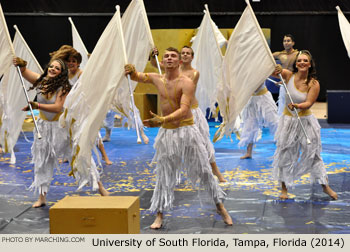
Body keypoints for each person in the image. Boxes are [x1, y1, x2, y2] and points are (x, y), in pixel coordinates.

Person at [125, 47, 232, 229]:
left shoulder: (186, 82)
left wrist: (162, 120)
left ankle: (221, 207)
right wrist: (130, 70)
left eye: (173, 56)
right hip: (167, 134)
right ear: (163, 61)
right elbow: (137, 77)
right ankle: (159, 214)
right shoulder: (157, 78)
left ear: (179, 62)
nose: (168, 58)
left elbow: (184, 110)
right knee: (163, 175)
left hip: (187, 131)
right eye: (166, 56)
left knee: (205, 171)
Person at [13, 56, 109, 208]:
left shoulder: (64, 87)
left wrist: (36, 105)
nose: (52, 69)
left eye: (57, 68)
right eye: (51, 66)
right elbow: (24, 72)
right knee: (42, 162)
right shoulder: (41, 81)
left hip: (61, 129)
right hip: (44, 128)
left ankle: (100, 187)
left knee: (80, 158)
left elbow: (58, 107)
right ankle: (42, 197)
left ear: (61, 73)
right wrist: (21, 64)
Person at [150, 46, 227, 182]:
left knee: (203, 143)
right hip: (176, 113)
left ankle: (215, 172)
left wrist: (166, 68)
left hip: (192, 112)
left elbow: (176, 78)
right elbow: (155, 63)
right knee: (174, 143)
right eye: (183, 53)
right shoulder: (172, 68)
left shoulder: (194, 73)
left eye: (188, 54)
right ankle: (174, 175)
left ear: (192, 57)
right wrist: (153, 55)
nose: (185, 55)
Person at [272, 50, 337, 200]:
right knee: (285, 153)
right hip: (288, 122)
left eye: (305, 61)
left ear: (309, 64)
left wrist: (299, 106)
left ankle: (325, 186)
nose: (302, 63)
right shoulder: (288, 75)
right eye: (299, 60)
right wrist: (277, 69)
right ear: (296, 63)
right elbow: (271, 71)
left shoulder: (314, 83)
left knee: (313, 154)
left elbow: (308, 103)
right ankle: (284, 189)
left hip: (306, 121)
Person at [50, 45, 113, 165]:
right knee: (68, 132)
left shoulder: (81, 74)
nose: (71, 63)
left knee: (93, 133)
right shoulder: (65, 74)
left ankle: (105, 156)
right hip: (69, 108)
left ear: (78, 63)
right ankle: (69, 155)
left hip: (82, 108)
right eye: (69, 61)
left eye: (74, 61)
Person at [239, 82, 279, 159]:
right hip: (251, 99)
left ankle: (281, 150)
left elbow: (257, 84)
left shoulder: (259, 70)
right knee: (249, 125)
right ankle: (248, 152)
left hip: (264, 98)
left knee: (274, 122)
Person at [272, 34, 299, 114]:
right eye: (284, 41)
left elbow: (300, 70)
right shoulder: (279, 54)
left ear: (293, 43)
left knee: (294, 105)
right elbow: (265, 57)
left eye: (288, 41)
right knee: (282, 105)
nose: (286, 43)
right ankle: (281, 124)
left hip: (294, 83)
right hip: (284, 84)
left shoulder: (298, 54)